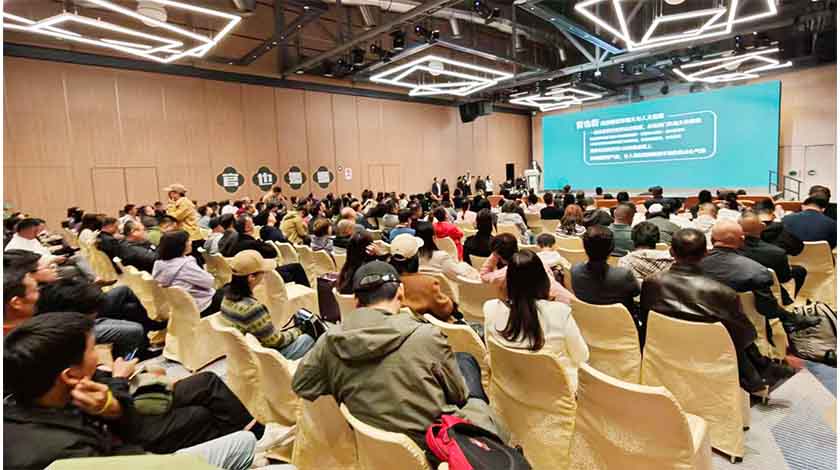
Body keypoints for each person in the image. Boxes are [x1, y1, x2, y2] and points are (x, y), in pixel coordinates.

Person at [4, 313, 261, 470]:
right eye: (93, 349)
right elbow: (135, 458)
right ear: (69, 375)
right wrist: (118, 384)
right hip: (137, 450)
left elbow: (109, 396)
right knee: (242, 441)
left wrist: (112, 406)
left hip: (125, 429)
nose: (99, 357)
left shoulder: (45, 393)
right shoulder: (63, 453)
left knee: (204, 395)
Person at [291, 261, 504, 447]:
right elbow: (458, 395)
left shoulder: (330, 341)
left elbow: (303, 385)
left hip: (374, 448)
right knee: (468, 370)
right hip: (437, 444)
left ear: (356, 300)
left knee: (463, 360)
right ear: (400, 292)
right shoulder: (426, 336)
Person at [639, 229, 786, 393]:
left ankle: (762, 369)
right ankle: (761, 370)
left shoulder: (651, 282)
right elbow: (747, 337)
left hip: (665, 350)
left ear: (671, 252)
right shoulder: (722, 292)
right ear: (706, 253)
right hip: (710, 357)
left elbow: (646, 321)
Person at [484, 250, 588, 390]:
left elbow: (490, 351)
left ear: (508, 280)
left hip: (510, 393)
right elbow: (581, 356)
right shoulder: (560, 312)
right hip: (557, 395)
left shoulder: (490, 308)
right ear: (544, 279)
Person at [699, 220, 819, 334]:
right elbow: (768, 309)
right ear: (742, 240)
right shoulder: (756, 271)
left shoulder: (693, 266)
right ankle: (790, 319)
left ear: (711, 239)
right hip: (746, 330)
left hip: (701, 322)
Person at [220, 250, 314, 360]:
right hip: (266, 358)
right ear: (251, 277)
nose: (264, 274)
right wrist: (299, 330)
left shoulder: (225, 298)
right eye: (262, 272)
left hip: (246, 353)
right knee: (310, 337)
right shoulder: (252, 309)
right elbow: (276, 341)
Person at [33, 277, 147, 359]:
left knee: (128, 305)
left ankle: (145, 340)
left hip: (71, 316)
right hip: (70, 328)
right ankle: (126, 358)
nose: (52, 267)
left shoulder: (48, 290)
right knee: (135, 330)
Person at [481, 233, 572, 303]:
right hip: (565, 300)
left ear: (498, 255)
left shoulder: (503, 274)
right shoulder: (539, 261)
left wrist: (494, 255)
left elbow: (484, 275)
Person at [571, 226, 640, 316]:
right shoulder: (624, 275)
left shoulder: (575, 270)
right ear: (612, 248)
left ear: (584, 247)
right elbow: (636, 292)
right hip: (619, 322)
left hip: (587, 320)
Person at [739, 212, 805, 305]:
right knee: (800, 271)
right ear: (762, 226)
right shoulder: (777, 253)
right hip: (769, 294)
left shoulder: (731, 248)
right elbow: (784, 279)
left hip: (740, 293)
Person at [154, 231, 223, 317]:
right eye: (188, 240)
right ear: (179, 246)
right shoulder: (185, 265)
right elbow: (210, 282)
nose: (191, 242)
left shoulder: (158, 263)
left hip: (176, 306)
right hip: (199, 305)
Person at [388, 234, 456, 322]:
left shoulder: (386, 282)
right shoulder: (428, 284)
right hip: (429, 327)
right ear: (415, 258)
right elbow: (445, 310)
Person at [163, 183, 204, 264]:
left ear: (176, 193)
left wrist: (170, 206)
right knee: (191, 260)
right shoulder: (178, 203)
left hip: (192, 236)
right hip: (187, 235)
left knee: (194, 260)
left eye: (170, 192)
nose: (168, 195)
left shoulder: (184, 202)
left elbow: (175, 217)